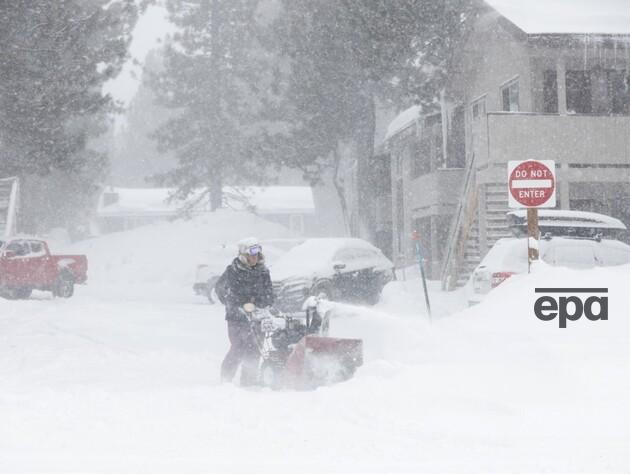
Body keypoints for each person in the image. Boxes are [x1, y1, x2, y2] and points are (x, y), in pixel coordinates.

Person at [215, 237, 274, 385]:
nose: (254, 258)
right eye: (251, 255)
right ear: (243, 256)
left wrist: (262, 303)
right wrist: (234, 303)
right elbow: (221, 290)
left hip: (257, 317)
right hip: (237, 318)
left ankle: (249, 382)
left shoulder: (263, 272)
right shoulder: (232, 271)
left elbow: (269, 293)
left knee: (255, 349)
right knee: (239, 348)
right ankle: (226, 380)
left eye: (257, 255)